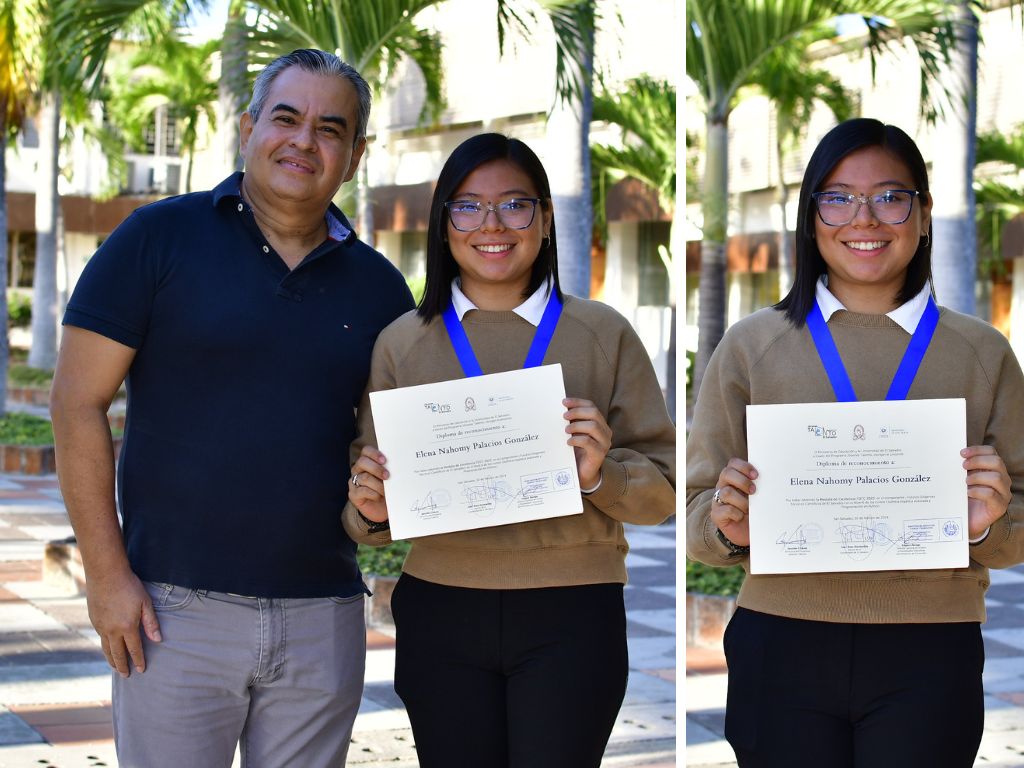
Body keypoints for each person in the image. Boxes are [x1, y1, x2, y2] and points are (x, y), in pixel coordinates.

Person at [49, 49, 414, 768]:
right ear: (247, 126)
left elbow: (394, 453)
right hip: (171, 613)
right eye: (286, 117)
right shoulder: (155, 240)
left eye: (330, 128)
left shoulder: (380, 290)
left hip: (324, 616)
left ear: (356, 153)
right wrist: (106, 574)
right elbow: (74, 403)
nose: (304, 140)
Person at [686, 117, 1024, 768]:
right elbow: (701, 517)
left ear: (923, 216)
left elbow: (1020, 525)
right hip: (781, 641)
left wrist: (986, 524)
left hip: (930, 646)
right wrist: (732, 525)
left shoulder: (982, 353)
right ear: (811, 217)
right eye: (838, 197)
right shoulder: (752, 346)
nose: (864, 218)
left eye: (891, 196)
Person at [342, 132, 676, 768]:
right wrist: (373, 508)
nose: (491, 225)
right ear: (443, 225)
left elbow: (661, 489)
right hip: (442, 606)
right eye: (467, 206)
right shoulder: (401, 344)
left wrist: (598, 474)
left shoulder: (602, 334)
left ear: (545, 219)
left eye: (515, 205)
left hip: (573, 612)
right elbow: (367, 512)